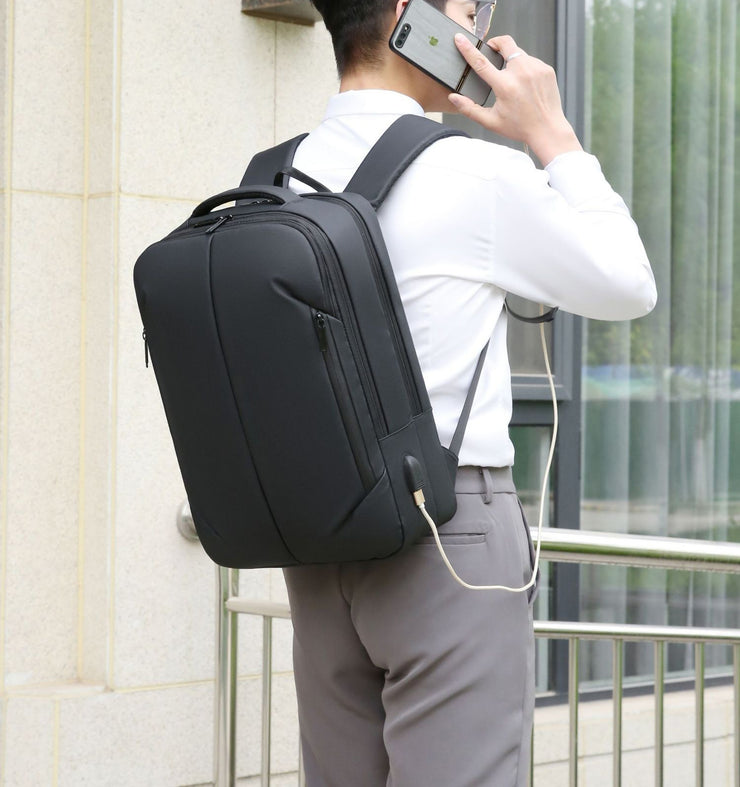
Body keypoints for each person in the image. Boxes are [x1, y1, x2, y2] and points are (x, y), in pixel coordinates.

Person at [282, 2, 657, 785]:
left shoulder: (281, 173)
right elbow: (629, 282)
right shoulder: (472, 173)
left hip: (320, 544)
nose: (477, 30)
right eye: (462, 10)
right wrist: (552, 133)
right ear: (406, 16)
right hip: (450, 536)